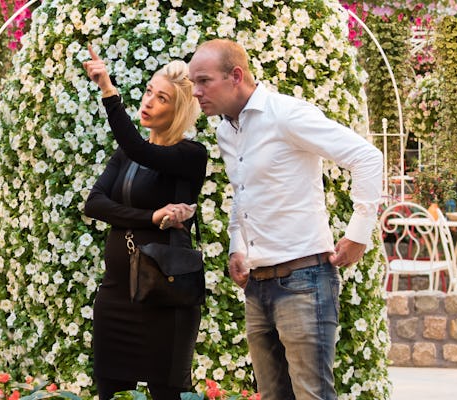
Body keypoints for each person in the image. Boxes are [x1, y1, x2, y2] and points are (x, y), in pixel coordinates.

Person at [187, 39, 383, 400]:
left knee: (312, 395)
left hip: (304, 280)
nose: (196, 92)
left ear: (236, 76)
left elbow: (367, 158)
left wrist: (358, 234)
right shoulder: (226, 130)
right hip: (258, 285)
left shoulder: (285, 114)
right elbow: (243, 192)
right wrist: (237, 246)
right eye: (193, 83)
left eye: (203, 81)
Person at [82, 46, 208, 400]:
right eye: (150, 91)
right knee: (109, 390)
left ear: (178, 109)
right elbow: (95, 204)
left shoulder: (189, 155)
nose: (149, 101)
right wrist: (150, 217)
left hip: (164, 299)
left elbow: (142, 151)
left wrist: (108, 89)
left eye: (162, 98)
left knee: (167, 393)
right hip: (116, 295)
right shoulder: (125, 155)